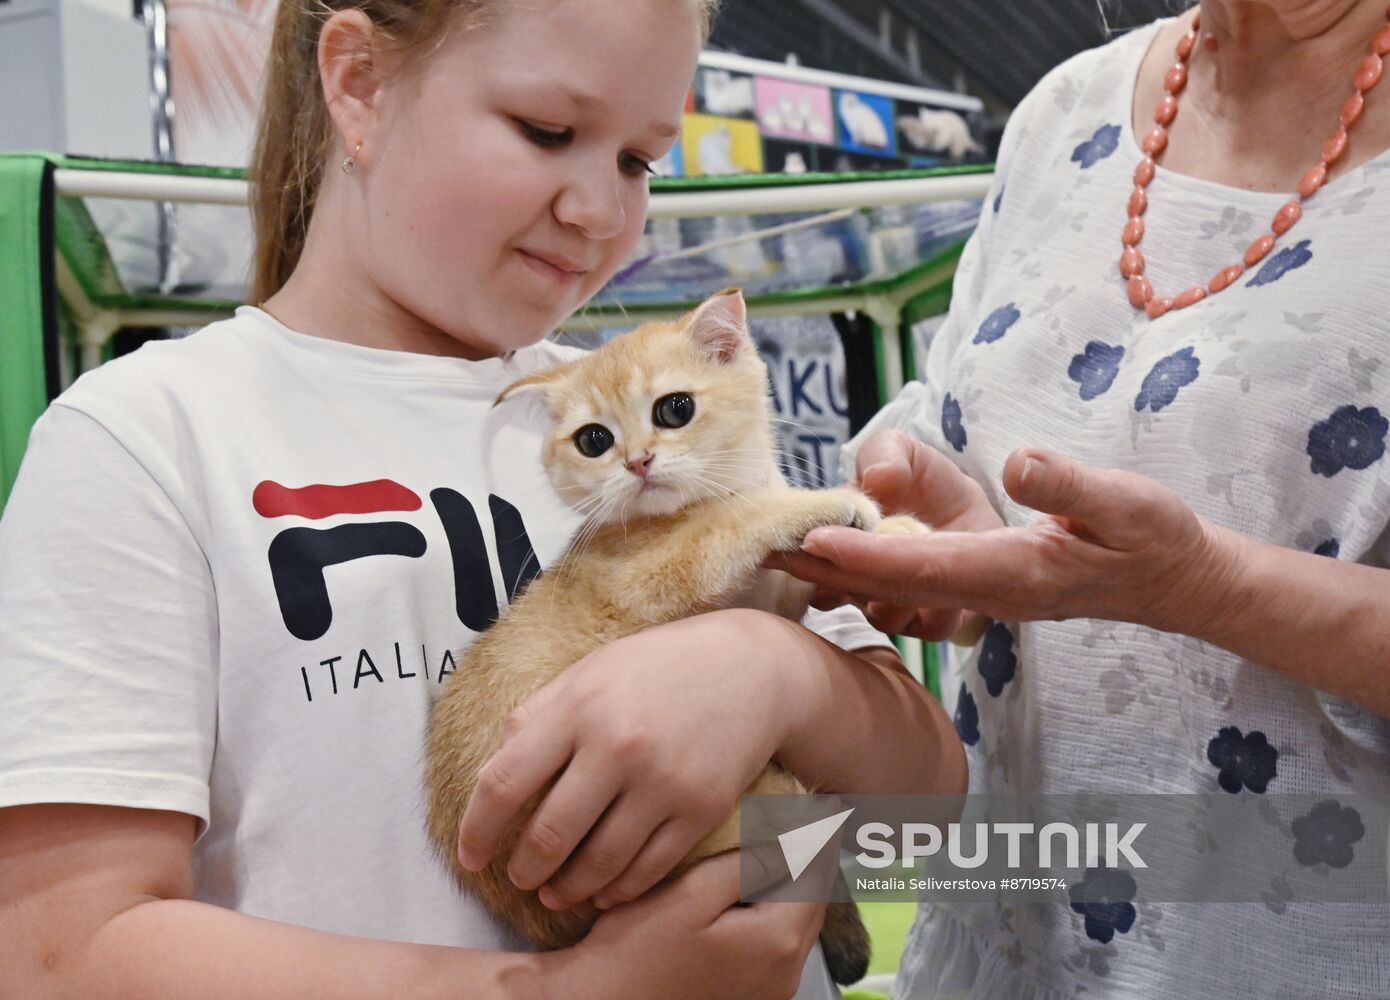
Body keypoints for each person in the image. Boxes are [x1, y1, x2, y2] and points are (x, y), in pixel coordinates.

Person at [0, 1, 967, 997]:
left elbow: (934, 812)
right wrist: (573, 990)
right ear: (360, 83)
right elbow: (60, 951)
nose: (601, 208)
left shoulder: (658, 410)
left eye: (640, 160)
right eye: (548, 132)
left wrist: (778, 672)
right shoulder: (151, 435)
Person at [770, 1, 1390, 997]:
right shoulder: (1068, 107)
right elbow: (979, 438)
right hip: (1002, 949)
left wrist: (1199, 585)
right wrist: (950, 530)